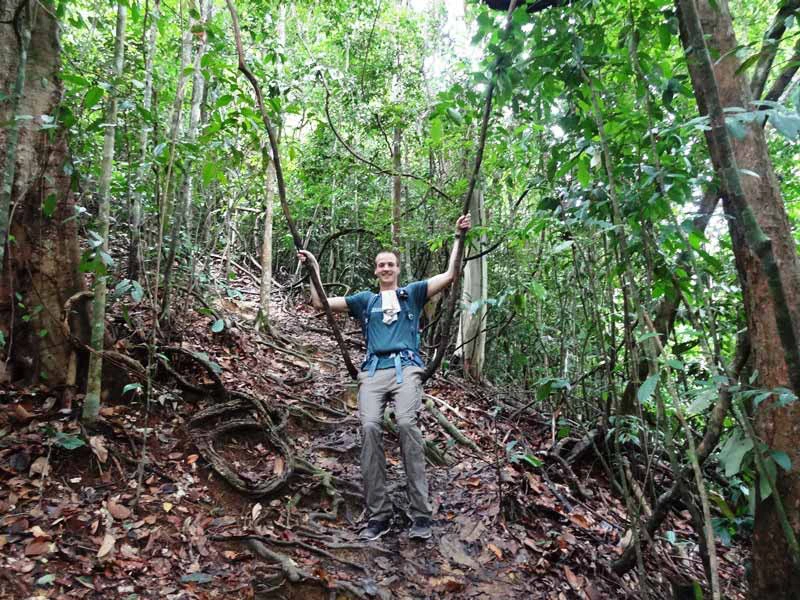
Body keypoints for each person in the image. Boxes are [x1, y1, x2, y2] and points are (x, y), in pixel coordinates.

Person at [297, 214, 471, 541]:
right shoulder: (365, 301)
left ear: (397, 269)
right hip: (374, 371)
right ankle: (379, 515)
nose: (387, 268)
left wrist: (459, 238)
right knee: (369, 428)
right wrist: (314, 268)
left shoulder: (414, 294)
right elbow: (319, 302)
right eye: (381, 265)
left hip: (406, 368)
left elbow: (450, 275)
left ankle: (421, 514)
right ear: (376, 271)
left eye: (391, 264)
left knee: (406, 424)